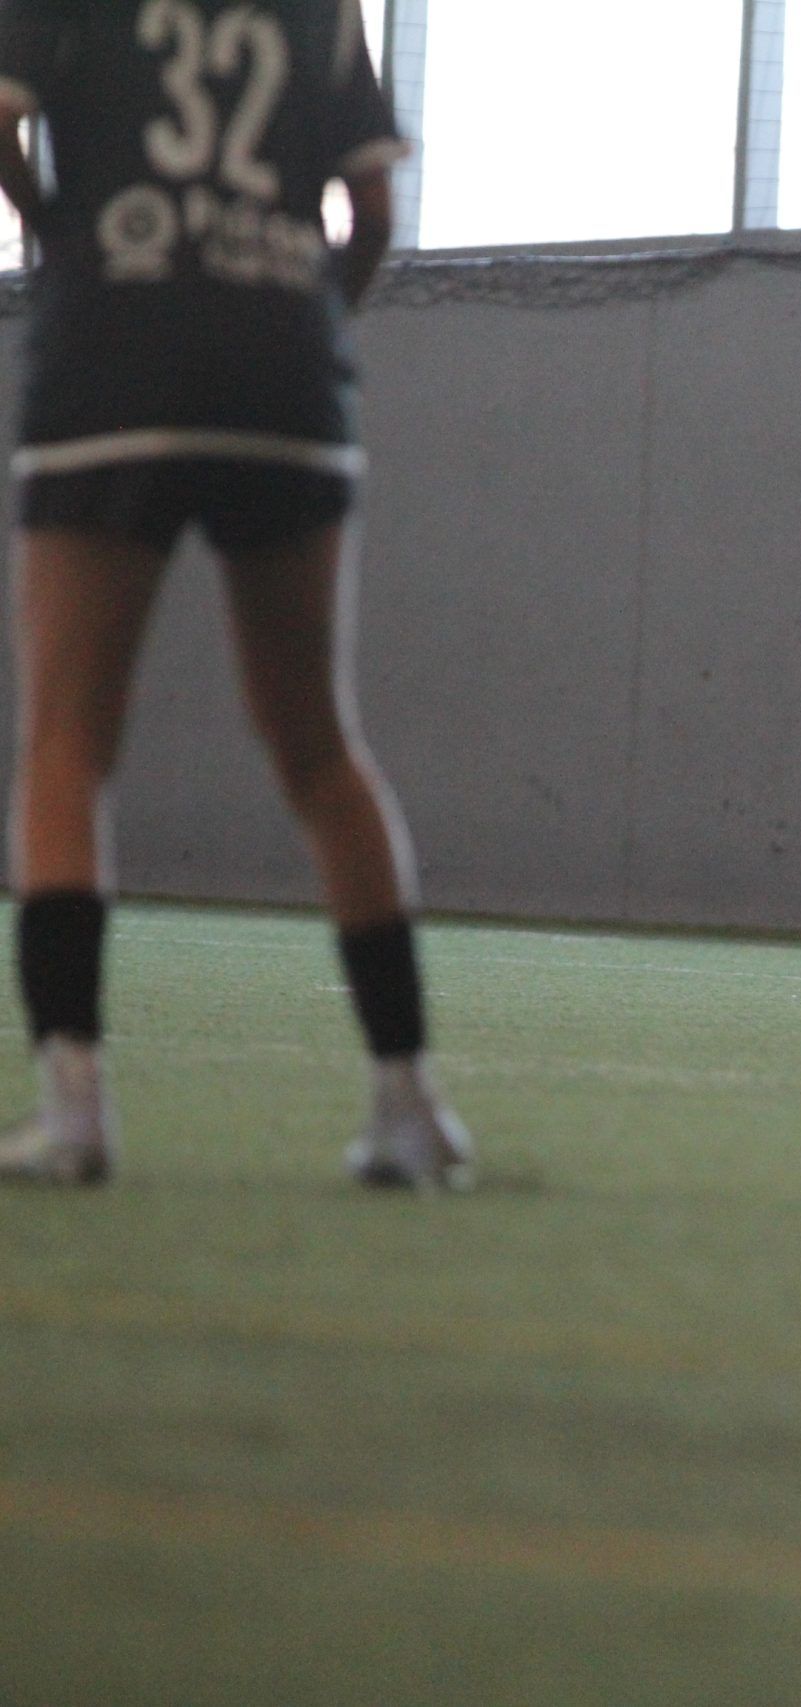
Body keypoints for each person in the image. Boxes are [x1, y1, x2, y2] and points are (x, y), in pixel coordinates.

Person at [0, 0, 471, 1187]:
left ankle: (74, 1106)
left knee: (66, 745)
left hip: (109, 356)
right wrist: (305, 319)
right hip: (283, 372)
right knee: (320, 747)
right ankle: (408, 1104)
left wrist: (58, 239)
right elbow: (372, 211)